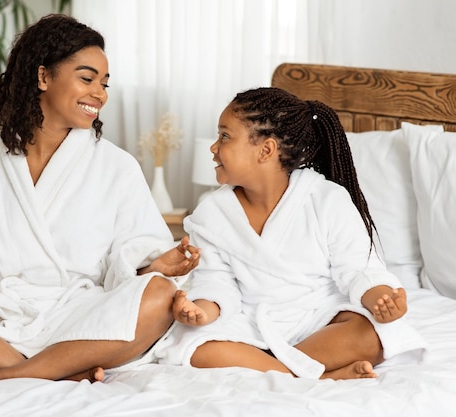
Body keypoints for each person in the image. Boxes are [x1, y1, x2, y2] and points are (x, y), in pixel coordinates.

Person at [0, 13, 199, 382]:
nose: (100, 94)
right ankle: (37, 369)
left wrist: (158, 266)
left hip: (81, 315)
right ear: (43, 77)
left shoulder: (117, 166)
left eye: (105, 84)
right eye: (87, 78)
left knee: (159, 296)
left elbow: (128, 262)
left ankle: (3, 373)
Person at [155, 87, 427, 380]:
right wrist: (202, 312)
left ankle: (273, 366)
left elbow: (359, 268)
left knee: (375, 333)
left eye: (224, 136)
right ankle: (318, 374)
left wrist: (380, 299)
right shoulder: (212, 213)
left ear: (266, 150)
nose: (213, 147)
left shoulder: (326, 199)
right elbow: (216, 283)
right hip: (253, 322)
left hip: (319, 319)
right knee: (195, 348)